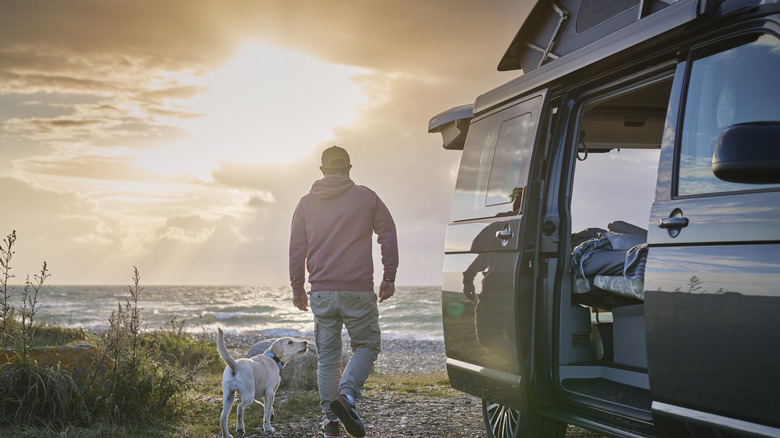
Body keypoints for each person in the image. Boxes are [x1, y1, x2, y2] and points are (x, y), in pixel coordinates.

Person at [289, 146, 398, 438]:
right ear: (349, 168)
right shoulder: (367, 197)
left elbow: (297, 248)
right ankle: (347, 398)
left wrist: (297, 287)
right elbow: (387, 234)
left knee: (328, 357)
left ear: (322, 171)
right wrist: (389, 276)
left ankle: (331, 423)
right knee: (366, 346)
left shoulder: (305, 204)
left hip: (321, 292)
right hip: (358, 291)